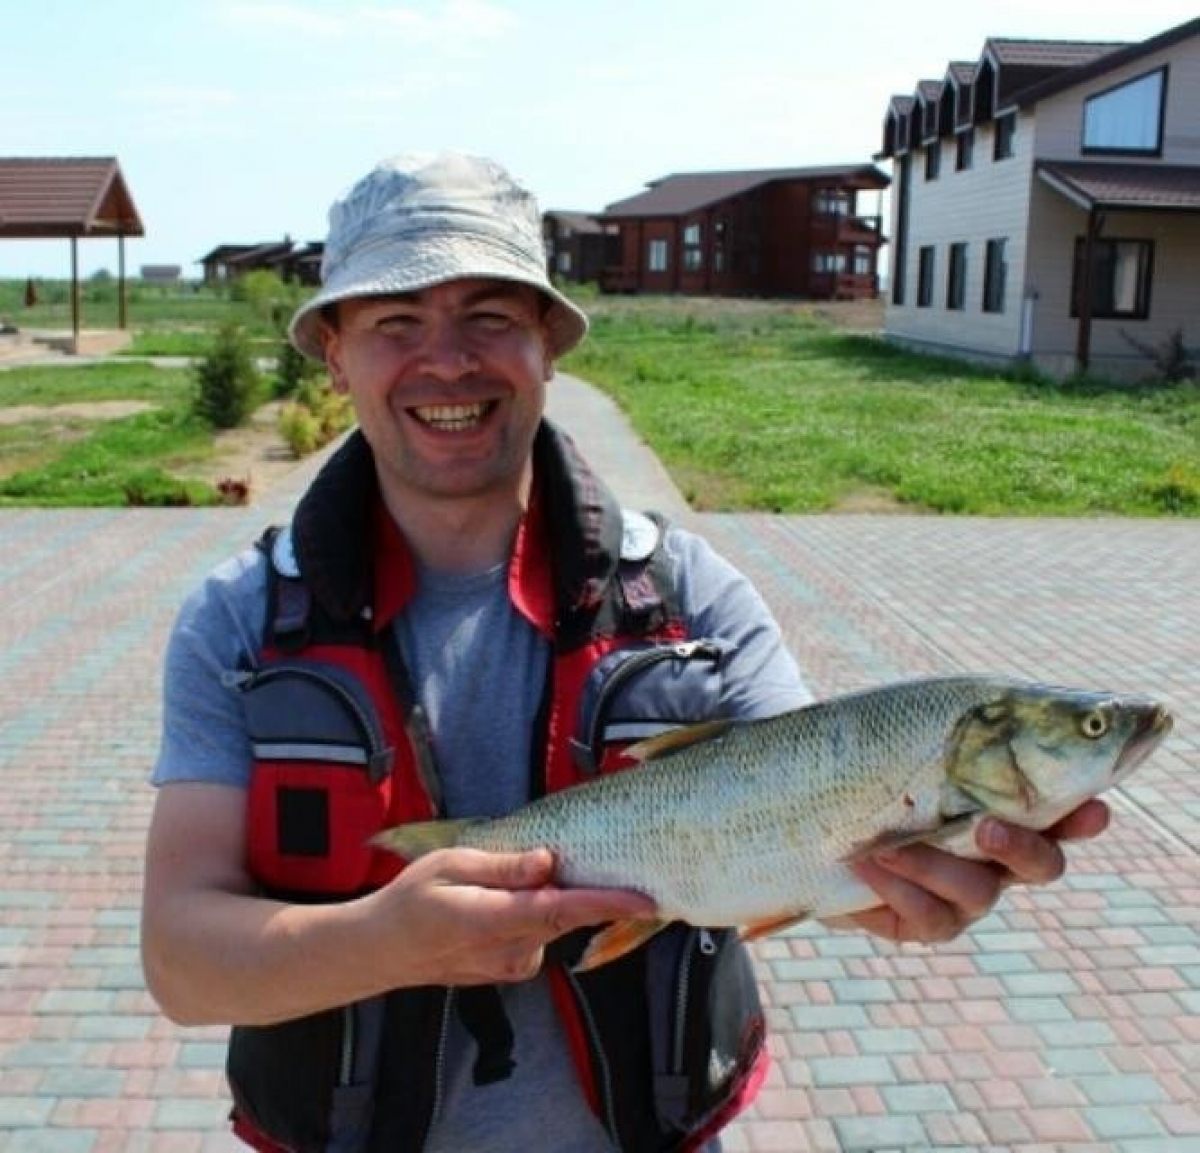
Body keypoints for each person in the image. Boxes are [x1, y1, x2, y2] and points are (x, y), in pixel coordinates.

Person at [140, 152, 1109, 1153]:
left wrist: (909, 891)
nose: (448, 360)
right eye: (394, 322)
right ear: (335, 356)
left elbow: (808, 820)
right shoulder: (242, 623)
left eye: (491, 316)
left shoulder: (694, 600)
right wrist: (387, 943)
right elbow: (180, 963)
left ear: (549, 347)